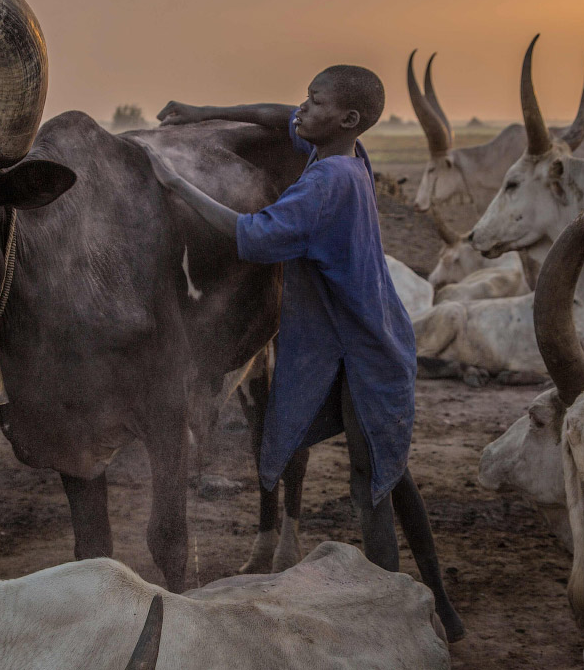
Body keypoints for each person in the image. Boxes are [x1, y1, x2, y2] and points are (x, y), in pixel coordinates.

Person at [146, 65, 465, 642]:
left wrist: (174, 185)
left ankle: (389, 628)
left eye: (314, 103)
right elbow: (275, 116)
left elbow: (251, 234)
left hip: (365, 351)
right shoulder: (346, 155)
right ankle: (444, 608)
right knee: (396, 480)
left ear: (346, 119)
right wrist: (200, 113)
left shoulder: (326, 183)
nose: (301, 109)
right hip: (368, 337)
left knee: (372, 490)